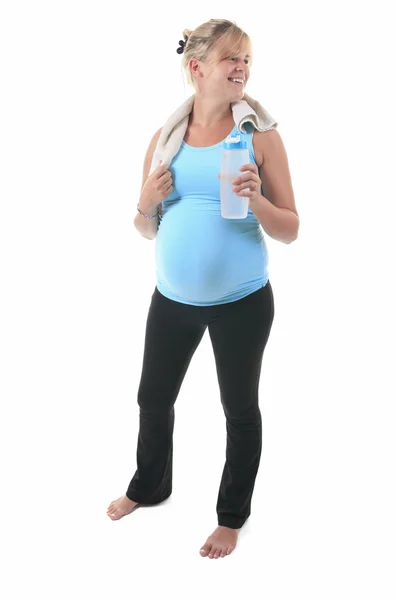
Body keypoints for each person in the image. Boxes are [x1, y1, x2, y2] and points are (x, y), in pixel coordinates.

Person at [106, 19, 299, 560]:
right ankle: (150, 485)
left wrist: (257, 201)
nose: (242, 69)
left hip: (242, 302)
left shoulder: (259, 136)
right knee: (153, 398)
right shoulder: (164, 140)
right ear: (197, 67)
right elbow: (146, 227)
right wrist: (146, 199)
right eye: (231, 59)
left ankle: (231, 518)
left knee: (238, 408)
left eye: (247, 60)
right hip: (171, 298)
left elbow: (291, 228)